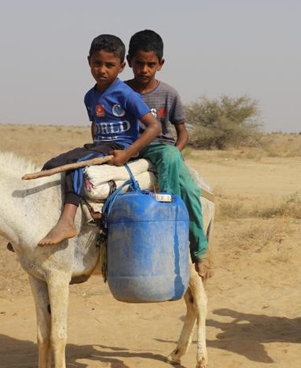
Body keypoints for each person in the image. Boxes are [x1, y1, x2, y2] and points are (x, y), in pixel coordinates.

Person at [36, 34, 160, 246]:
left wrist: (128, 153)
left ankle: (67, 222)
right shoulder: (89, 96)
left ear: (121, 67)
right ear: (89, 62)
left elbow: (154, 126)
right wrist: (95, 146)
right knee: (51, 165)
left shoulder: (125, 94)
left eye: (109, 65)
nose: (102, 70)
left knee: (76, 166)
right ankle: (38, 224)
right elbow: (95, 124)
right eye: (97, 64)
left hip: (117, 146)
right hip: (99, 145)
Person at [125, 29, 212, 279]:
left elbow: (182, 133)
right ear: (130, 61)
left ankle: (199, 252)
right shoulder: (121, 91)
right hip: (130, 148)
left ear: (160, 64)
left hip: (162, 149)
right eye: (139, 63)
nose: (144, 70)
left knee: (192, 191)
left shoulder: (169, 94)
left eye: (150, 64)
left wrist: (174, 153)